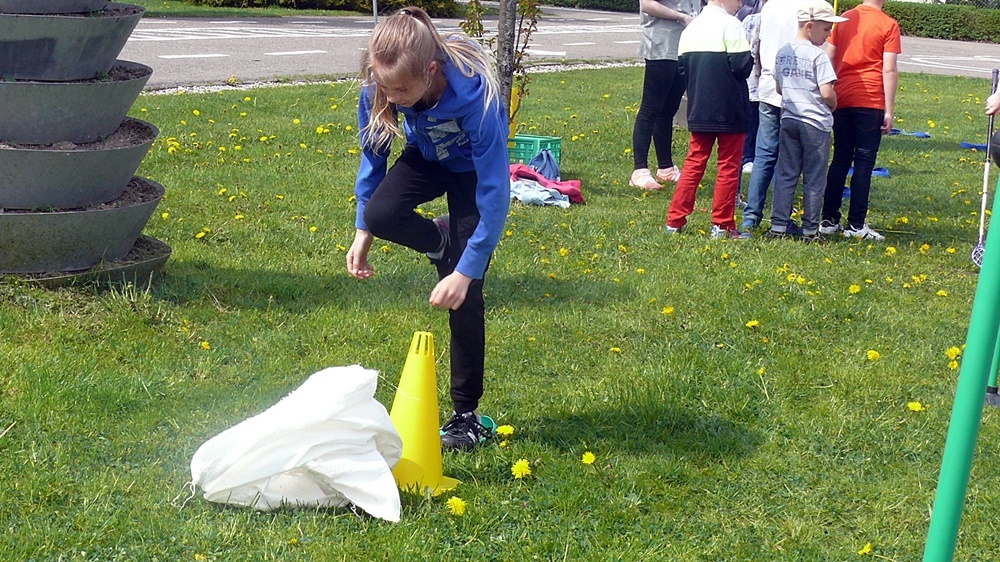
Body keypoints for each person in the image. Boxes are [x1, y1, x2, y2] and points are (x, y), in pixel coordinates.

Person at [347, 7, 509, 451]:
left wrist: (466, 270)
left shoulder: (476, 96)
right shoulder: (381, 85)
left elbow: (495, 192)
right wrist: (364, 231)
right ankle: (440, 242)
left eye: (401, 89)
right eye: (386, 87)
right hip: (427, 158)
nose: (392, 97)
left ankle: (466, 416)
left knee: (466, 294)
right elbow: (374, 156)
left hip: (472, 172)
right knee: (380, 214)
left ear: (431, 71)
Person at [665, 0, 754, 238]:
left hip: (699, 106)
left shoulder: (691, 28)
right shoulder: (732, 25)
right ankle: (722, 224)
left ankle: (674, 220)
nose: (740, 3)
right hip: (730, 108)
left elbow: (682, 69)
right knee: (728, 166)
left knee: (694, 162)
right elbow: (741, 66)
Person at [818, 0, 900, 240]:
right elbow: (889, 69)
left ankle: (829, 218)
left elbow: (830, 56)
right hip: (870, 97)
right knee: (864, 161)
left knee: (840, 158)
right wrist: (889, 110)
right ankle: (856, 223)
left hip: (842, 96)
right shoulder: (888, 25)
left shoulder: (844, 18)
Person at [765, 0, 844, 241]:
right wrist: (833, 105)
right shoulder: (818, 56)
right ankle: (810, 230)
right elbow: (827, 92)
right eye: (826, 29)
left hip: (789, 118)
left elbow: (779, 88)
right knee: (814, 177)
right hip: (815, 123)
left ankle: (778, 225)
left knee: (786, 173)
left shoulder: (783, 52)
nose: (828, 35)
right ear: (810, 26)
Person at [740, 0, 803, 231]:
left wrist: (759, 78)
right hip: (796, 90)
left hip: (768, 86)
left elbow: (756, 45)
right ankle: (781, 217)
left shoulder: (770, 6)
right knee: (788, 157)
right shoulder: (809, 5)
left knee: (764, 154)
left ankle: (751, 215)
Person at [629, 0, 701, 190]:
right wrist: (682, 17)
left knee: (668, 110)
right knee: (650, 108)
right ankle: (639, 171)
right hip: (662, 44)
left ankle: (666, 167)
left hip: (684, 46)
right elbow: (647, 4)